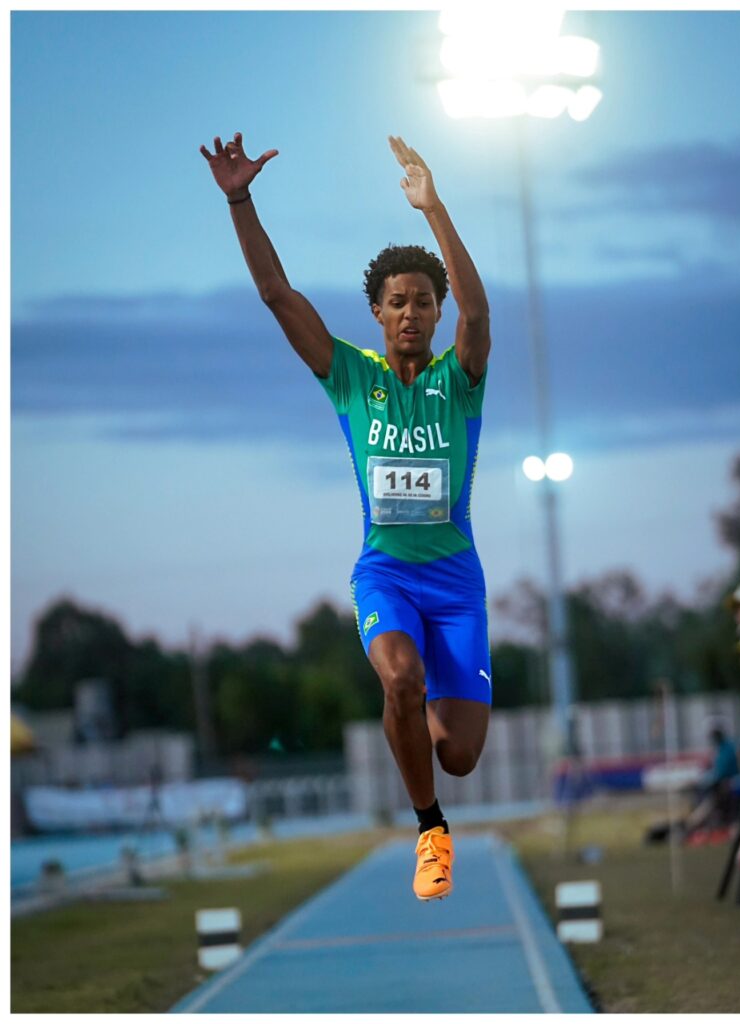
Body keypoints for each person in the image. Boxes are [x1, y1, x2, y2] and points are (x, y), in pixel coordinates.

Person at [199, 132, 492, 901]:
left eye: (423, 302)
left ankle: (429, 715)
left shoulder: (458, 381)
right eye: (397, 302)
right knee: (398, 678)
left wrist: (433, 208)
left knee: (460, 752)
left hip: (456, 584)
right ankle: (431, 830)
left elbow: (479, 312)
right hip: (386, 575)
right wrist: (239, 198)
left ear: (436, 313)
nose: (410, 314)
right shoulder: (349, 378)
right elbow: (277, 296)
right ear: (376, 311)